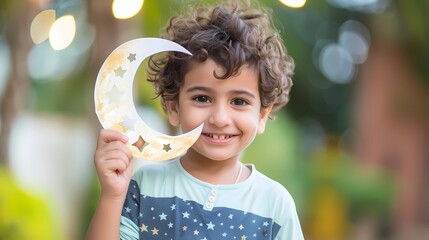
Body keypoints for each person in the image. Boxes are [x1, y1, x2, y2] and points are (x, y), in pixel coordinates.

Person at [86, 0, 304, 239]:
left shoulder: (274, 203)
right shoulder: (144, 184)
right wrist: (112, 195)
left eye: (239, 102)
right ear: (173, 107)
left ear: (262, 115)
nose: (220, 119)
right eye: (202, 98)